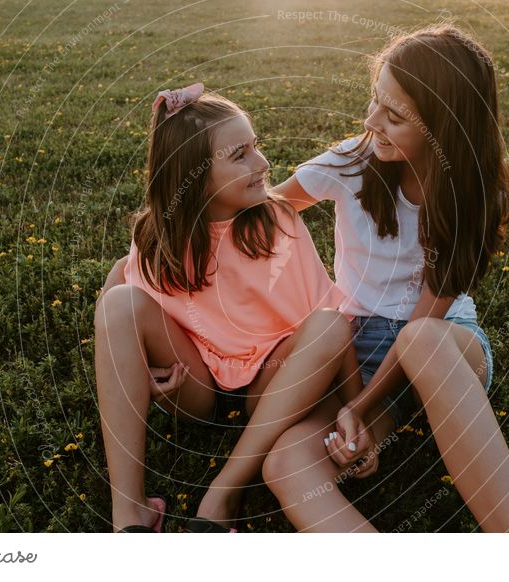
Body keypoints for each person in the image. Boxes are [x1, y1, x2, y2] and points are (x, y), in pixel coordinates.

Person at [264, 24, 509, 532]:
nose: (372, 122)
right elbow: (264, 211)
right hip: (358, 352)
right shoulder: (352, 162)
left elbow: (428, 315)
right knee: (284, 461)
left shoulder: (473, 191)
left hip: (446, 348)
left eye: (394, 117)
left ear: (444, 130)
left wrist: (362, 409)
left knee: (420, 341)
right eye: (376, 101)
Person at [94, 84, 361, 532]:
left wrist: (358, 407)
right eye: (240, 155)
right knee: (118, 304)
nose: (263, 164)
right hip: (194, 384)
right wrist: (134, 373)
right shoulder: (159, 239)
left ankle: (222, 493)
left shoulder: (278, 222)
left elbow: (327, 331)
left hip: (270, 387)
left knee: (331, 326)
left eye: (256, 147)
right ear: (193, 178)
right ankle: (130, 514)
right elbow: (120, 288)